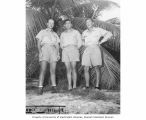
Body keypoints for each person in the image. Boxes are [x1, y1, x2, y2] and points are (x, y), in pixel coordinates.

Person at [82, 18, 113, 90]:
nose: (88, 23)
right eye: (87, 22)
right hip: (87, 49)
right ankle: (87, 86)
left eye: (89, 22)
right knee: (85, 68)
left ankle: (97, 86)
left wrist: (101, 42)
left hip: (95, 48)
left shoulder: (98, 30)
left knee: (96, 67)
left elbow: (109, 34)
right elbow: (82, 39)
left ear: (93, 23)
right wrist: (83, 43)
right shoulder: (84, 32)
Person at [36, 19, 60, 95]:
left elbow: (57, 45)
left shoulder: (55, 34)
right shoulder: (42, 32)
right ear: (47, 24)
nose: (51, 24)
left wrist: (58, 53)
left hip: (53, 51)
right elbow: (38, 43)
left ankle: (54, 87)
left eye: (52, 23)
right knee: (43, 70)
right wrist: (40, 52)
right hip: (44, 49)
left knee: (53, 70)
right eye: (50, 23)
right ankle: (40, 88)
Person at [60, 19, 82, 90]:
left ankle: (74, 85)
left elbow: (80, 41)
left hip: (73, 50)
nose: (67, 24)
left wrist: (76, 48)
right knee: (68, 69)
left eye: (69, 23)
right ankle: (69, 85)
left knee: (73, 68)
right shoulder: (62, 34)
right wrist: (63, 47)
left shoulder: (76, 32)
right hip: (65, 51)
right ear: (64, 25)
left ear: (71, 24)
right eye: (66, 23)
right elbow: (61, 43)